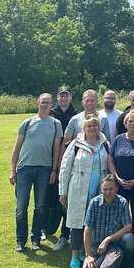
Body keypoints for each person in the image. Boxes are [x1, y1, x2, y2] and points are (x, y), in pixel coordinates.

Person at [10, 93, 63, 252]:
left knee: (40, 206)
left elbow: (56, 149)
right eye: (42, 102)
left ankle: (35, 239)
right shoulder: (27, 123)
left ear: (51, 105)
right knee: (21, 207)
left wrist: (54, 169)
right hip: (24, 169)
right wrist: (13, 170)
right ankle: (21, 241)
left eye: (48, 102)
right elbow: (17, 147)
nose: (45, 105)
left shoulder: (56, 124)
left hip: (44, 169)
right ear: (38, 103)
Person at [59, 116, 109, 268]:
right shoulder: (75, 144)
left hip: (98, 188)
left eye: (94, 126)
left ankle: (85, 252)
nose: (92, 128)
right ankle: (74, 256)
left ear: (98, 127)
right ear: (84, 128)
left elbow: (109, 165)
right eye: (89, 126)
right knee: (77, 221)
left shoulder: (105, 144)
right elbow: (65, 168)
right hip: (79, 188)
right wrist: (63, 192)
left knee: (93, 221)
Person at [83, 174, 134, 268]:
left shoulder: (122, 202)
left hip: (115, 245)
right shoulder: (94, 203)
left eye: (111, 189)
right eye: (105, 189)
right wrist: (89, 255)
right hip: (96, 246)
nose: (108, 192)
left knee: (129, 238)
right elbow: (87, 229)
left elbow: (128, 227)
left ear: (117, 188)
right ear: (101, 189)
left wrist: (108, 239)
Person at [49, 85, 77, 251]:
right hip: (52, 159)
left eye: (67, 95)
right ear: (58, 97)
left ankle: (65, 234)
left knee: (67, 199)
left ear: (70, 97)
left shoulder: (76, 115)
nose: (64, 98)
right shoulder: (51, 114)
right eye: (61, 95)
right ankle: (48, 227)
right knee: (52, 197)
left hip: (71, 160)